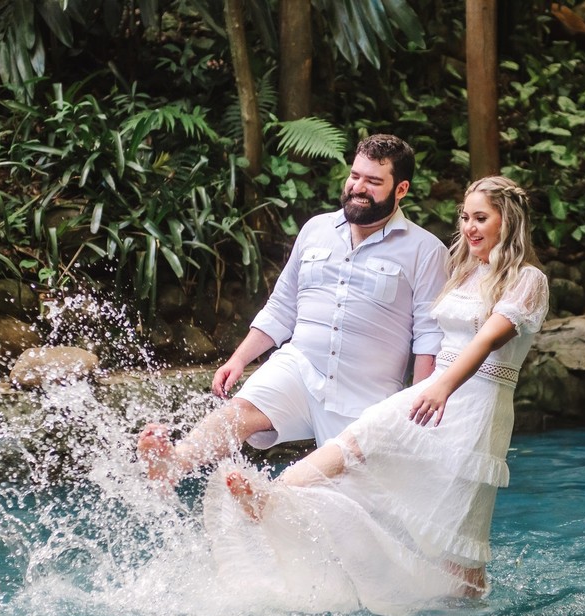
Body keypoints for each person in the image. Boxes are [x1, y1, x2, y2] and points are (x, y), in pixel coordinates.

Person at [206, 176, 550, 615]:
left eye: (481, 218)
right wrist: (429, 384)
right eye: (465, 217)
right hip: (433, 392)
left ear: (510, 221)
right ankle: (272, 497)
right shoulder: (465, 270)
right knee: (360, 440)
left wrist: (443, 386)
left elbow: (484, 341)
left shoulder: (529, 280)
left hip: (475, 403)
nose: (469, 227)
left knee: (456, 538)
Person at [137, 134, 448, 484]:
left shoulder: (426, 250)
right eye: (355, 176)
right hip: (300, 367)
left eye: (373, 181)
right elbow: (283, 305)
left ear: (401, 189)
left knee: (352, 498)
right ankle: (175, 463)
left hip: (367, 395)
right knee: (242, 410)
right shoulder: (316, 229)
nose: (358, 187)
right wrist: (238, 360)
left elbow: (428, 339)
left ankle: (269, 509)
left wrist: (412, 409)